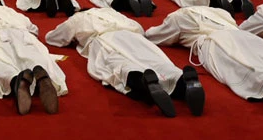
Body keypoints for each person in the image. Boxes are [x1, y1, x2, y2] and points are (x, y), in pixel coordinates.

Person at [45, 8, 205, 117]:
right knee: (157, 61)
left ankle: (143, 82)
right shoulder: (112, 12)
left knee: (118, 65)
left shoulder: (78, 18)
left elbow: (55, 38)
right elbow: (139, 28)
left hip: (105, 41)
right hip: (134, 37)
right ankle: (180, 79)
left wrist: (76, 40)